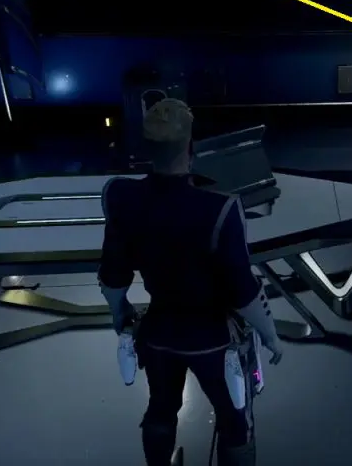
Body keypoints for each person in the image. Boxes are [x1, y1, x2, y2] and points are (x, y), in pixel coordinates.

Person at [98, 98, 283, 466]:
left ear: (147, 149)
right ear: (190, 148)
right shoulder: (221, 209)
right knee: (235, 422)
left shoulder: (121, 197)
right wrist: (270, 334)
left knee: (161, 409)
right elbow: (243, 292)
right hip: (213, 340)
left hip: (158, 332)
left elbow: (113, 275)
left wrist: (120, 313)